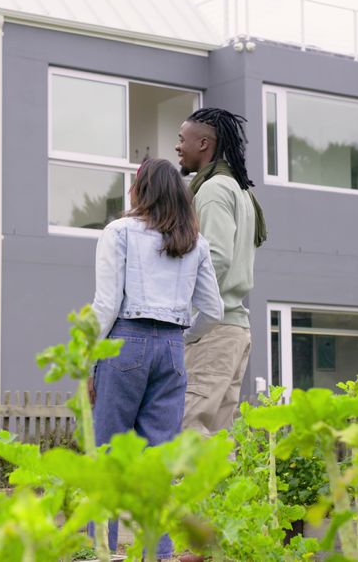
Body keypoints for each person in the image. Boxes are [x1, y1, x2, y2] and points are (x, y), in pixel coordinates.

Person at [90, 157, 223, 559]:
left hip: (125, 342)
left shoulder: (119, 232)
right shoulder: (195, 242)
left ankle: (103, 551)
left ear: (140, 190)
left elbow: (106, 304)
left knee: (109, 453)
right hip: (171, 348)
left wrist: (87, 358)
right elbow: (214, 311)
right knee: (160, 457)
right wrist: (184, 337)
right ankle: (159, 554)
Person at [174, 108, 267, 437]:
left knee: (189, 426)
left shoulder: (213, 190)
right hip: (234, 328)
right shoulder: (241, 191)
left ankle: (187, 492)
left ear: (203, 144)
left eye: (182, 140)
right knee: (218, 435)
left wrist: (186, 317)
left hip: (212, 330)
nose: (177, 147)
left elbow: (215, 258)